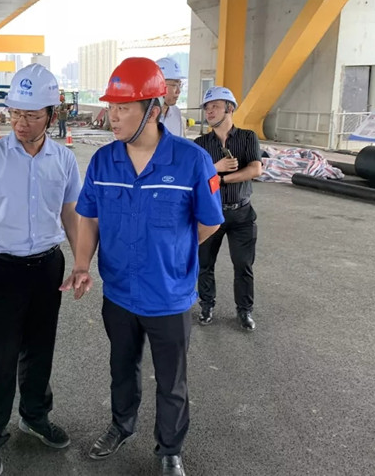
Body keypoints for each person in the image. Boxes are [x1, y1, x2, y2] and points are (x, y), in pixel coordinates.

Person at [61, 58, 224, 476]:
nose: (112, 117)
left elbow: (209, 222)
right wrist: (82, 263)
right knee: (122, 368)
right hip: (119, 293)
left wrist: (172, 252)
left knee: (171, 381)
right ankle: (122, 425)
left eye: (123, 108)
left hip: (168, 296)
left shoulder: (191, 161)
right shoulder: (103, 162)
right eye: (111, 107)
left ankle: (169, 448)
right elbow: (89, 217)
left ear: (153, 110)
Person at [0, 63, 81, 476]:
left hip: (48, 266)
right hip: (3, 269)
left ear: (51, 114)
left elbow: (70, 212)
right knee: (1, 354)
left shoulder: (64, 159)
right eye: (15, 113)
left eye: (30, 114)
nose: (20, 122)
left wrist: (81, 262)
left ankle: (35, 415)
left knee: (40, 348)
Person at [193, 86, 263, 331]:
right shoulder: (200, 144)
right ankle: (206, 305)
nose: (209, 112)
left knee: (243, 265)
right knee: (204, 264)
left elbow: (255, 169)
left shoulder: (247, 137)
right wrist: (217, 167)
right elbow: (195, 177)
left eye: (215, 106)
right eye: (207, 108)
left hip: (241, 213)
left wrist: (221, 179)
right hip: (210, 214)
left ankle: (244, 311)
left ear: (229, 108)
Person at [155, 57, 184, 137]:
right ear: (159, 85)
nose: (178, 91)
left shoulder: (176, 113)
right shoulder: (142, 115)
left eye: (180, 85)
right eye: (174, 85)